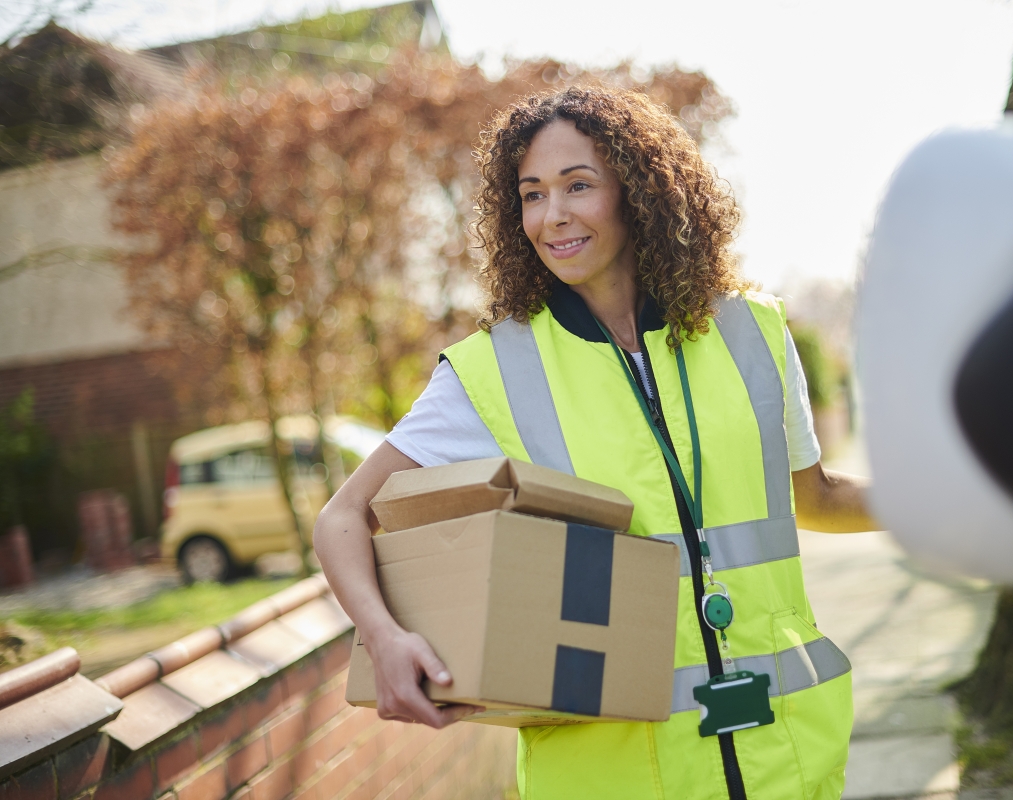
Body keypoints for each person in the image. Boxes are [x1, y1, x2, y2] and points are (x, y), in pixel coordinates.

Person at [314, 86, 878, 800]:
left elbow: (815, 499)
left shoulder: (752, 333)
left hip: (786, 763)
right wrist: (386, 638)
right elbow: (342, 518)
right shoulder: (492, 373)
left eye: (578, 185)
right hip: (613, 779)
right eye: (532, 194)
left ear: (639, 193)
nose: (553, 216)